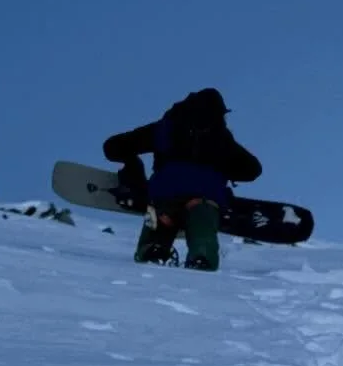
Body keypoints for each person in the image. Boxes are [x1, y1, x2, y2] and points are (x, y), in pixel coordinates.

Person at [102, 88, 261, 271]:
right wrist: (224, 170)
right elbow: (253, 170)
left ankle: (153, 251)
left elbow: (112, 147)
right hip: (203, 201)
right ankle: (201, 259)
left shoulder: (165, 128)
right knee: (202, 237)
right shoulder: (222, 138)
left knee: (156, 237)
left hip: (164, 199)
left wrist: (133, 167)